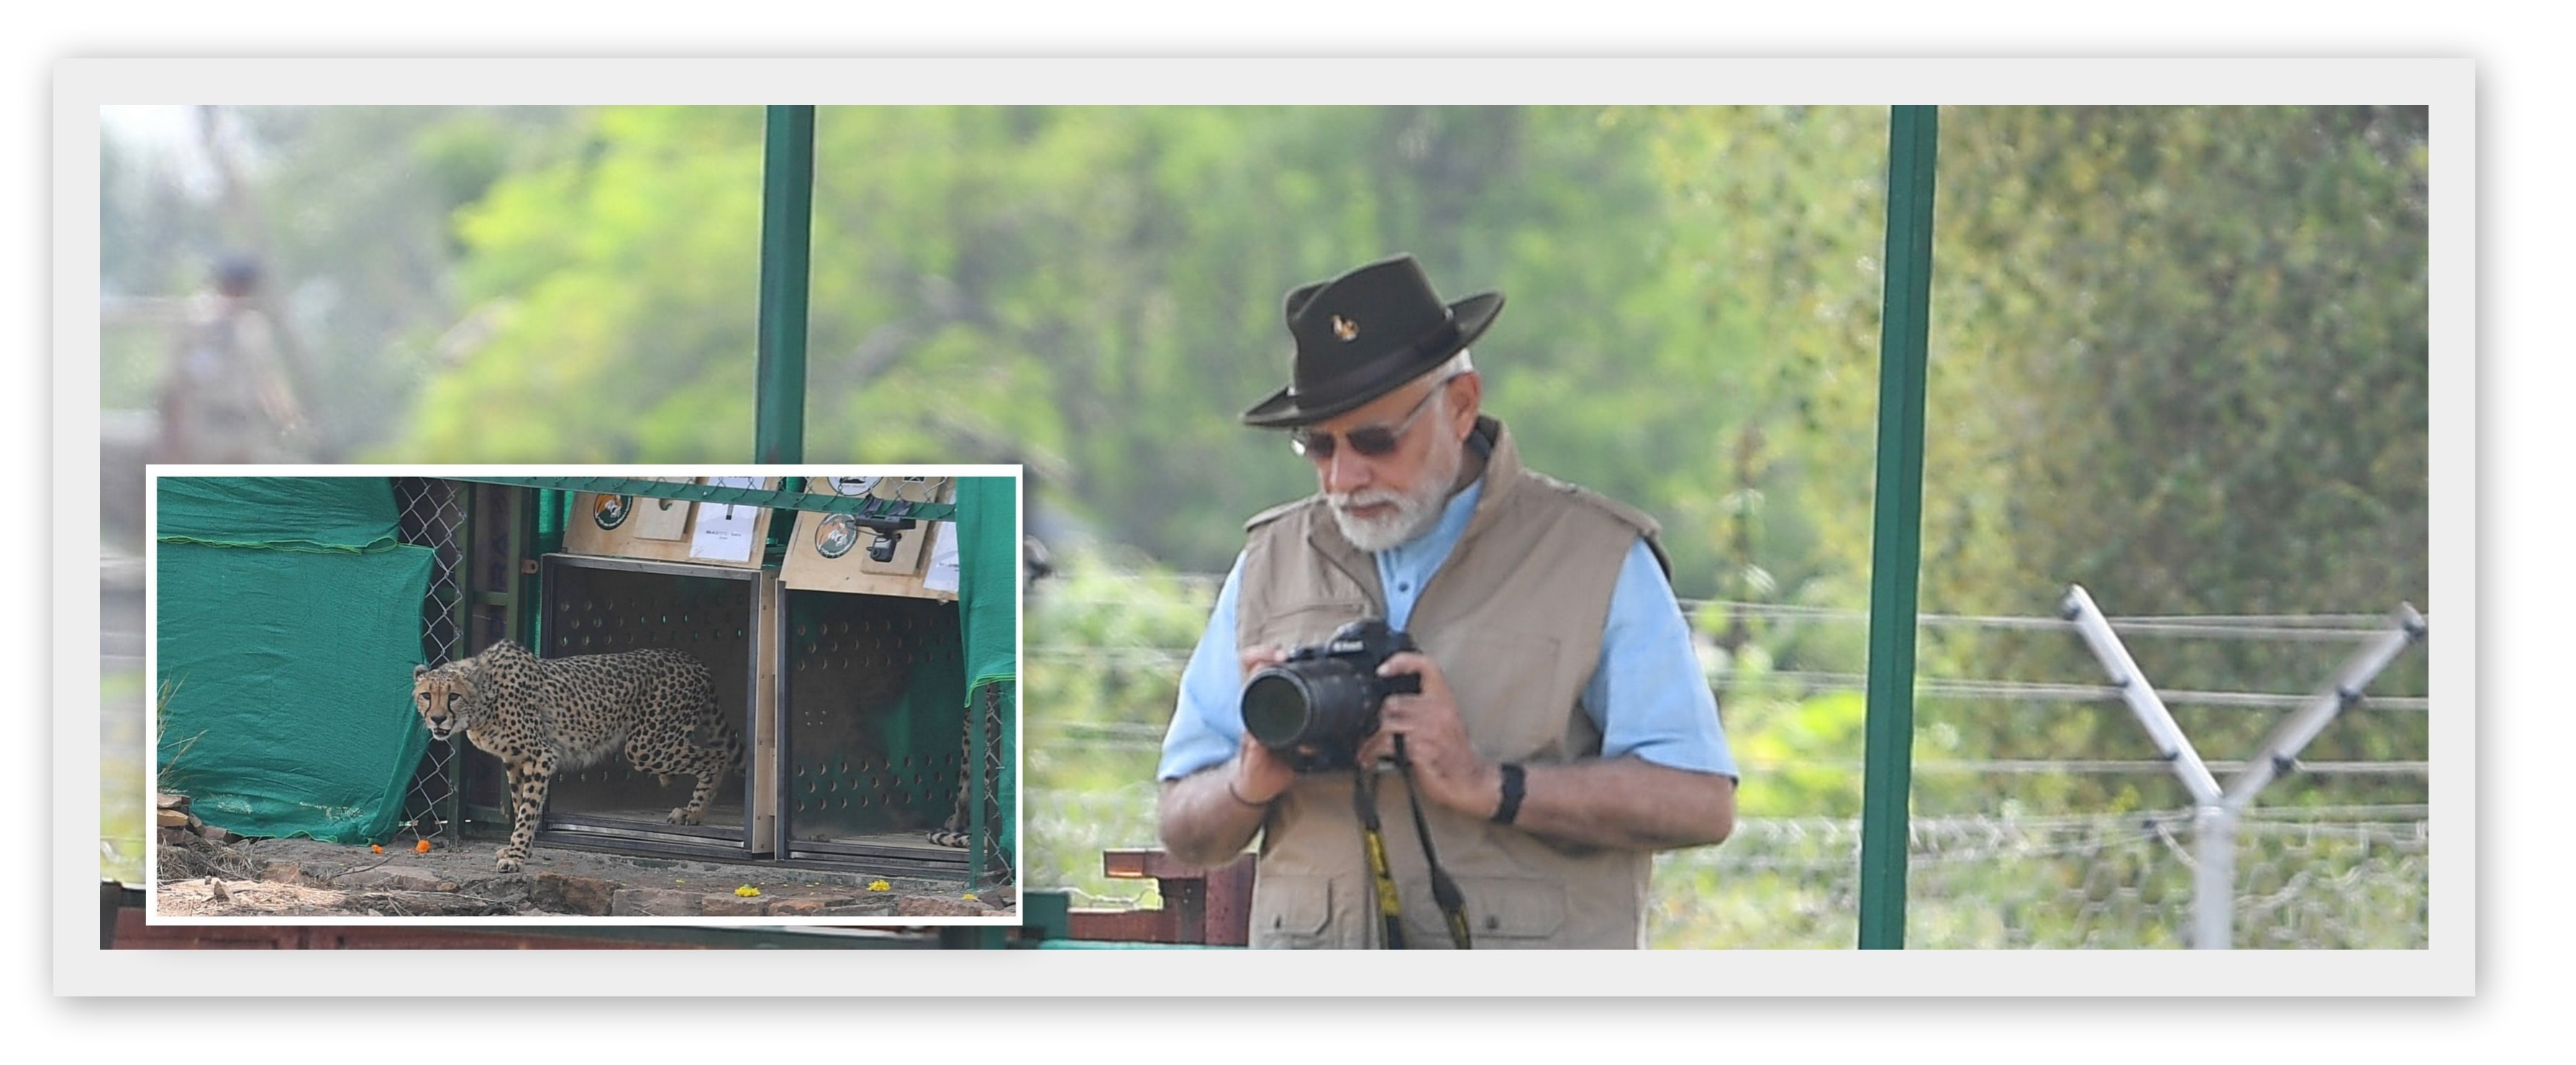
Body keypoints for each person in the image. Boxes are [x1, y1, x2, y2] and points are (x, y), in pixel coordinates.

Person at [1155, 254, 1738, 949]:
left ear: (1461, 405)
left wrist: (1488, 783)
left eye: (1376, 439)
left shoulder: (1595, 555)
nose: (1343, 476)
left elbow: (1700, 803)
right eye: (1316, 445)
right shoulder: (1269, 562)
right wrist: (1248, 780)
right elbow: (1182, 821)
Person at [153, 254, 304, 464]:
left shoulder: (252, 328)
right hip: (203, 425)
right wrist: (173, 441)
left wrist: (290, 420)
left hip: (244, 426)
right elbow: (175, 387)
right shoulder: (196, 324)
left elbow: (266, 380)